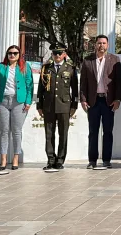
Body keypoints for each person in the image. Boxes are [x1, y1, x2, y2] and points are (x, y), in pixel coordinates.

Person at [81, 35, 121, 169]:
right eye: (99, 43)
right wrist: (83, 99)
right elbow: (83, 82)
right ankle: (92, 160)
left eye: (104, 43)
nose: (101, 46)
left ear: (108, 45)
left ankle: (106, 160)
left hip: (108, 101)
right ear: (95, 45)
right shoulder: (88, 61)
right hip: (93, 101)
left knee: (108, 131)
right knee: (93, 131)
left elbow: (118, 83)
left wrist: (117, 99)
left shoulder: (114, 60)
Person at [0, 45, 34, 172]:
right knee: (4, 131)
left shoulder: (25, 67)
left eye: (15, 53)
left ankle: (15, 158)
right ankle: (3, 159)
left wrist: (28, 101)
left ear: (19, 54)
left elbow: (29, 86)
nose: (12, 55)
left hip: (18, 101)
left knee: (16, 131)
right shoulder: (0, 67)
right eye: (10, 53)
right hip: (2, 101)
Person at [37, 43, 78, 171]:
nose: (57, 55)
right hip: (48, 105)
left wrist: (74, 106)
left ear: (64, 54)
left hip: (64, 105)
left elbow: (75, 90)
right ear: (52, 54)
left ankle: (60, 160)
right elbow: (40, 89)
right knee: (49, 134)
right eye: (55, 53)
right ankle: (50, 159)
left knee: (63, 134)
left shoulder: (70, 68)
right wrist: (39, 105)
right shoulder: (46, 68)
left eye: (60, 53)